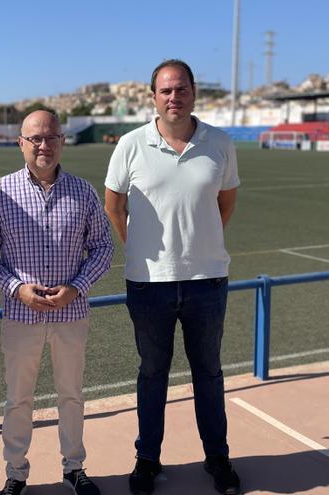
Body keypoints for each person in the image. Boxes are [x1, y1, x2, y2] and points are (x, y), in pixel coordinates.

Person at [103, 60, 242, 495]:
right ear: (153, 96)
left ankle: (217, 457)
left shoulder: (219, 144)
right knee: (152, 375)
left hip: (207, 281)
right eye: (165, 91)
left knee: (209, 374)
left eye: (180, 89)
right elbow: (113, 206)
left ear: (194, 92)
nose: (173, 97)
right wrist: (140, 249)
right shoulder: (130, 144)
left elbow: (225, 204)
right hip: (148, 284)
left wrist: (198, 246)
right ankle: (148, 459)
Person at [0, 110, 114, 495]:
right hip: (21, 315)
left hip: (71, 314)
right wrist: (16, 288)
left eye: (51, 137)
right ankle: (16, 472)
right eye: (34, 138)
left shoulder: (83, 192)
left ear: (62, 141)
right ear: (20, 143)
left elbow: (103, 247)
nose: (43, 145)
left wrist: (77, 287)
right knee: (19, 399)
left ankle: (74, 468)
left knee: (71, 394)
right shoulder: (0, 192)